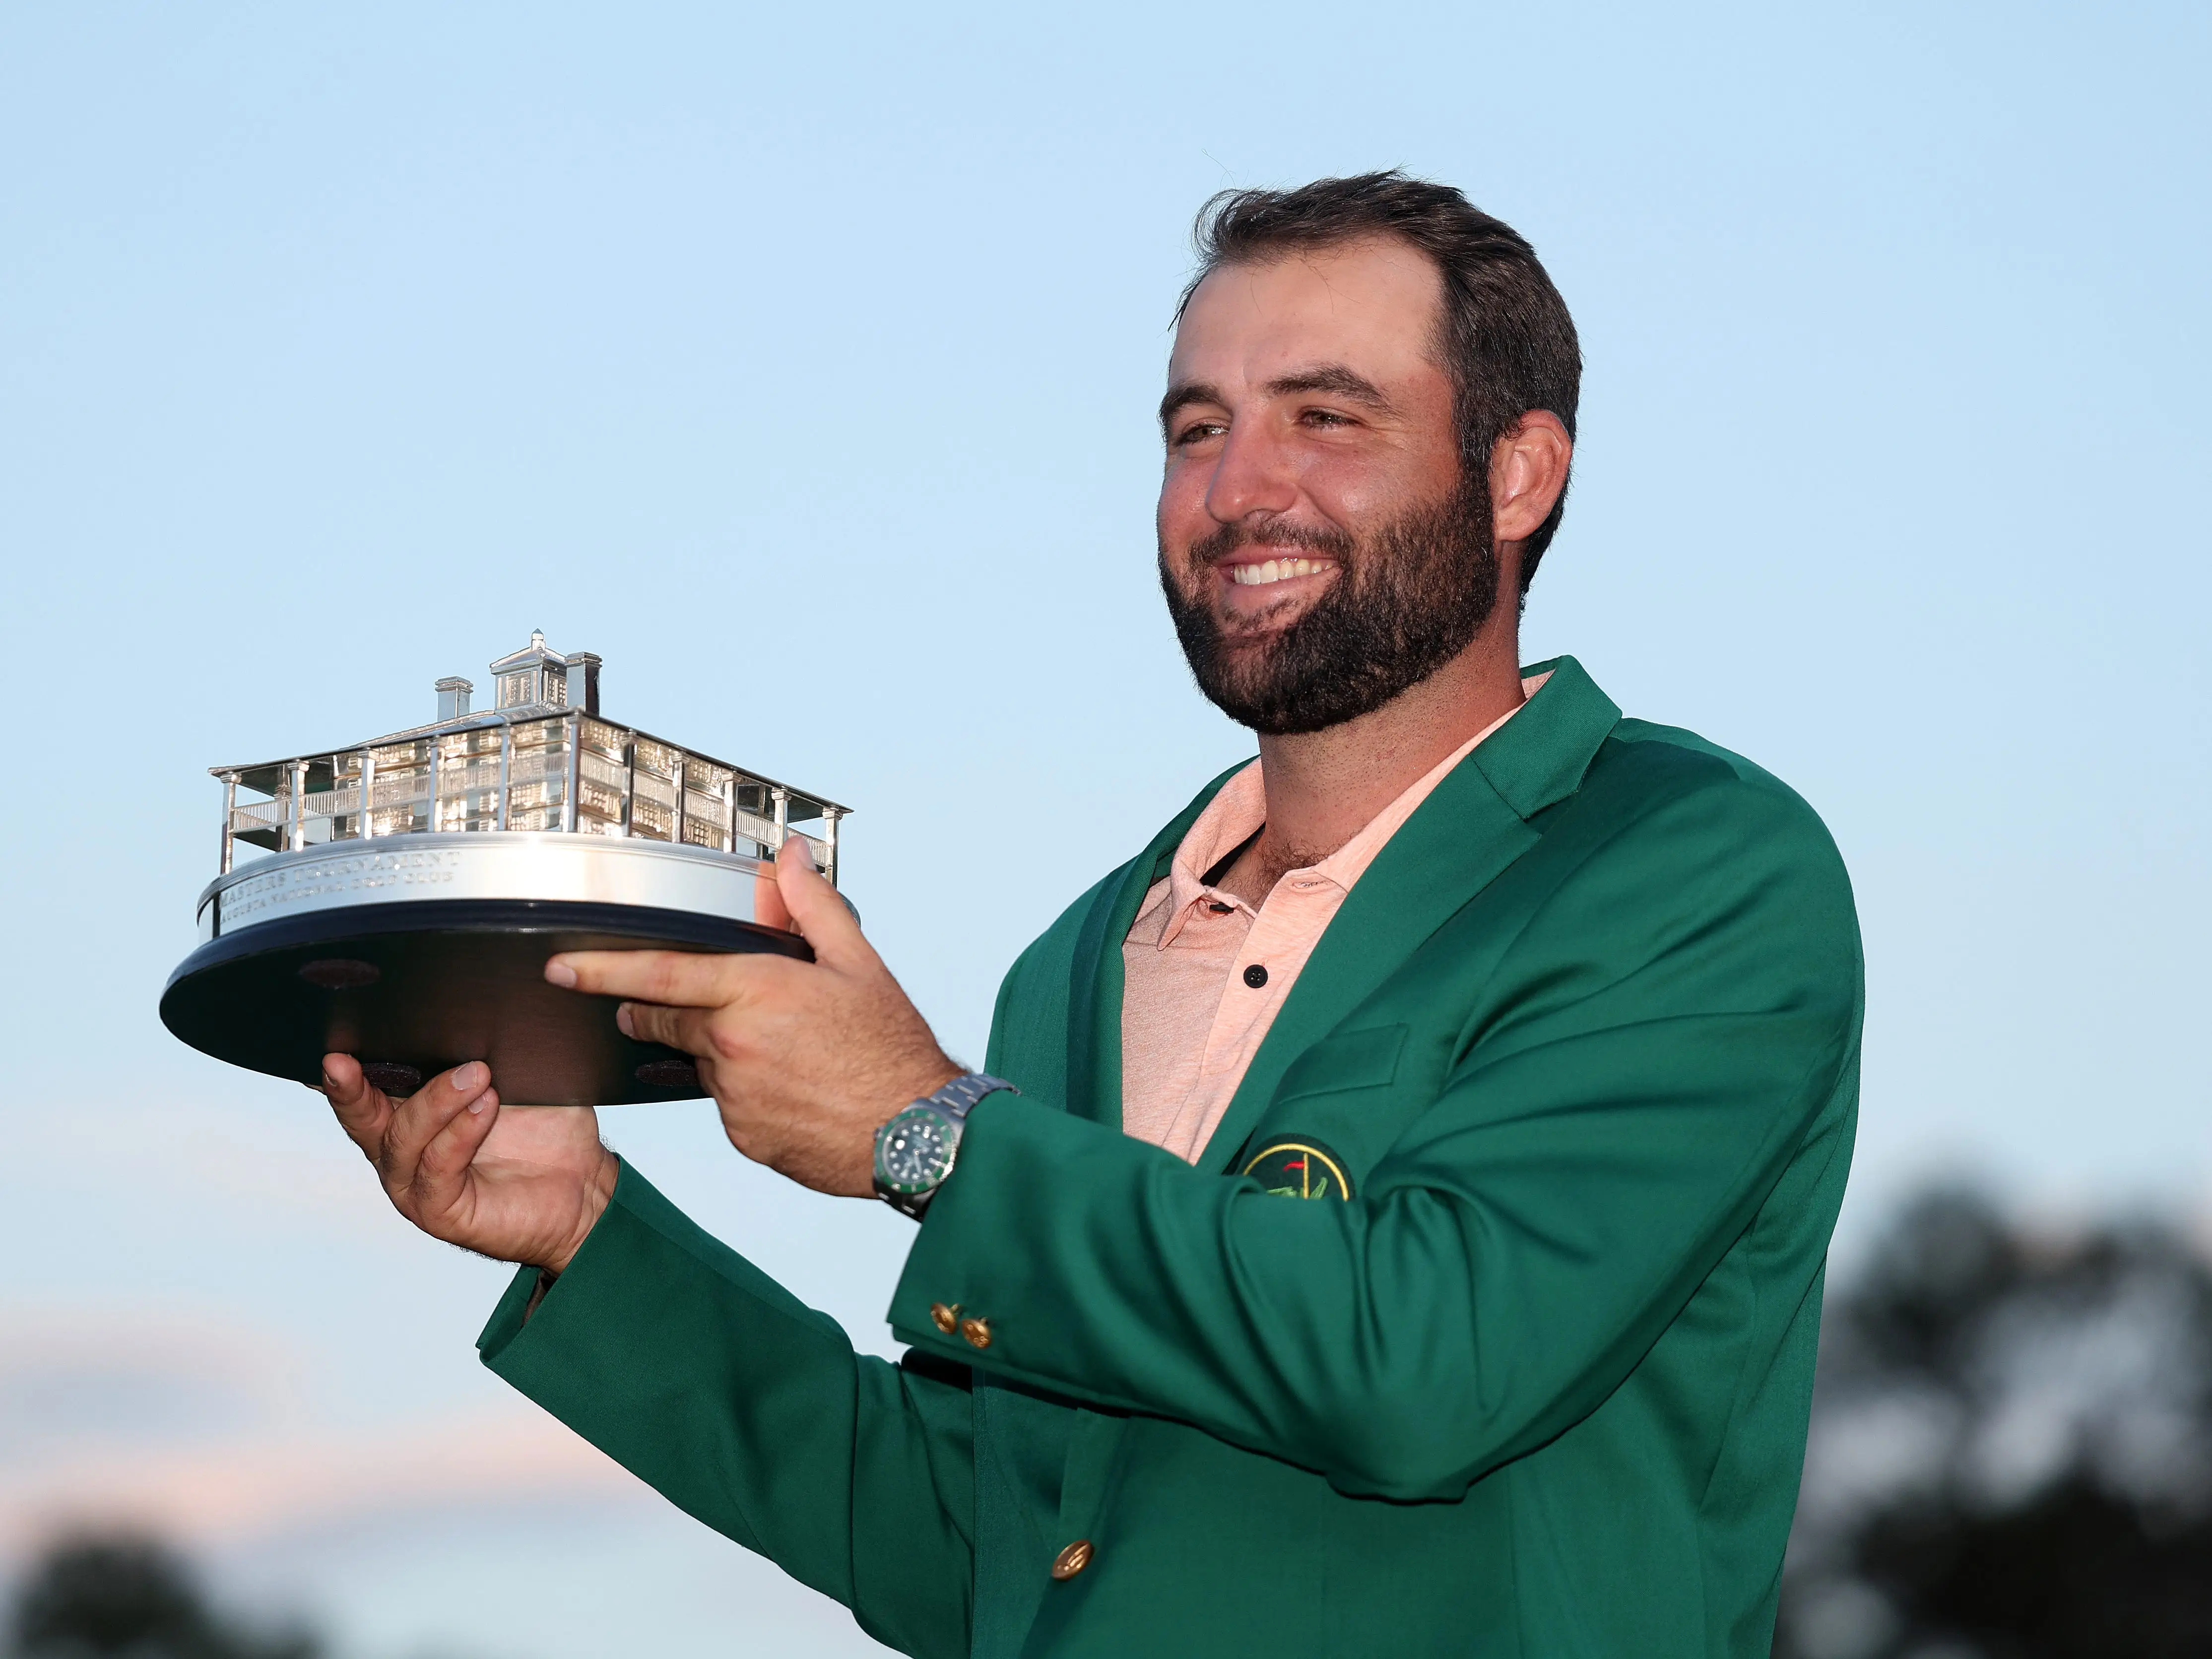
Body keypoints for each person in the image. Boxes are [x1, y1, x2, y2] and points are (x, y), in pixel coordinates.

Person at [321, 172, 1861, 1659]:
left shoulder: (1688, 865)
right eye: (1199, 429)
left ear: (1519, 472)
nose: (1240, 488)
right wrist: (590, 1243)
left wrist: (931, 1133)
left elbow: (1431, 1364)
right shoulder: (1075, 966)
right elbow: (985, 1557)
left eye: (1327, 417)